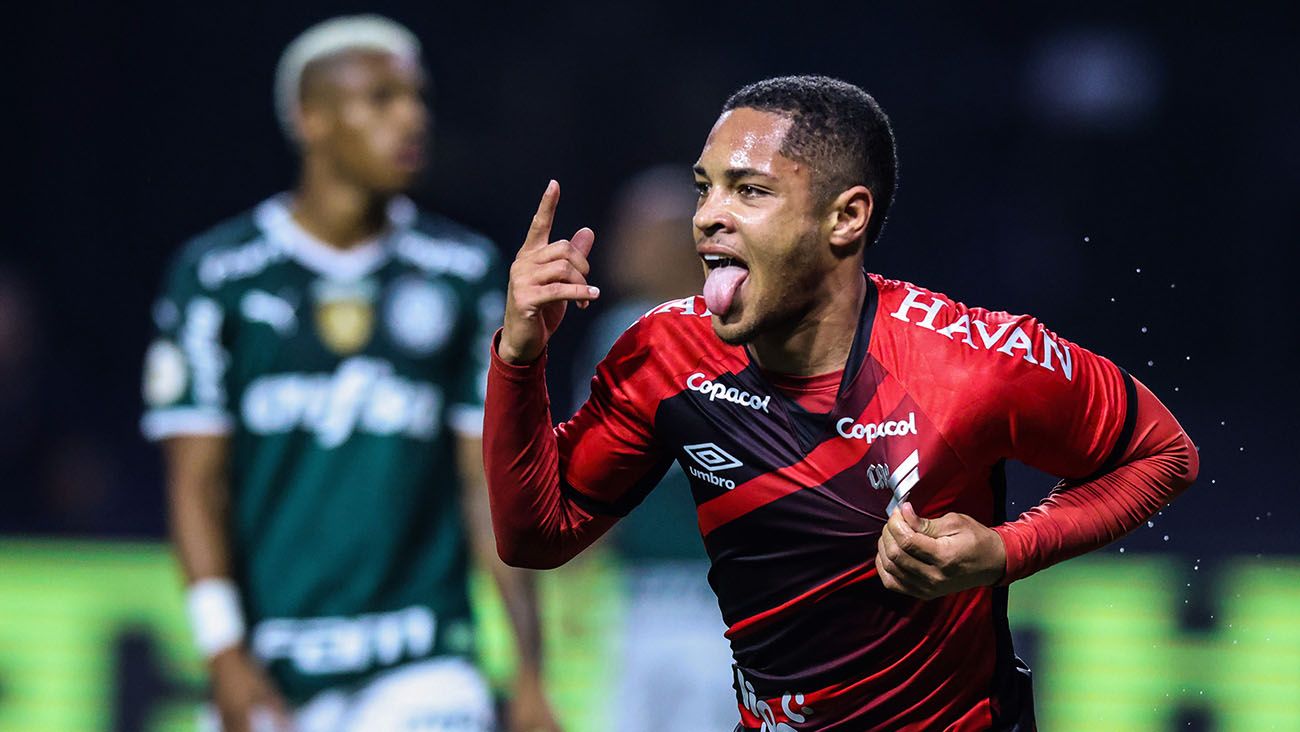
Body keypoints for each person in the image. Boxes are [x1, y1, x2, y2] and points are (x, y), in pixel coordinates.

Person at [482, 75, 1198, 730]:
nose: (707, 218)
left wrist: (1005, 550)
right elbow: (537, 536)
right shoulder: (664, 353)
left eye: (749, 191)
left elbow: (1162, 453)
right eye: (706, 189)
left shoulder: (973, 361)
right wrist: (519, 359)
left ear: (846, 217)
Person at [141, 16, 558, 732]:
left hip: (424, 662)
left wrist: (528, 670)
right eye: (381, 98)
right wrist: (223, 655)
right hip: (274, 665)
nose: (412, 117)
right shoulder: (217, 276)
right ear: (312, 118)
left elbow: (483, 485)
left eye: (416, 97)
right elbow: (195, 482)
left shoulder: (460, 272)